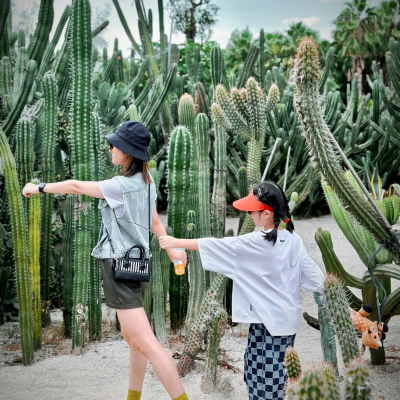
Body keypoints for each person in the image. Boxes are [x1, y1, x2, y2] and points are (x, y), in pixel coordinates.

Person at [22, 121, 189, 400]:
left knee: (146, 342)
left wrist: (38, 187)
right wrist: (172, 251)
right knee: (134, 340)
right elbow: (155, 221)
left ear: (128, 152)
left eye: (115, 145)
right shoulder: (146, 182)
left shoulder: (119, 186)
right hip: (136, 265)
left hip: (119, 267)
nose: (110, 148)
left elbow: (75, 186)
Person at [158, 182, 325, 400]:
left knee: (262, 378)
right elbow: (316, 279)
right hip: (283, 323)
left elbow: (218, 245)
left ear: (266, 214)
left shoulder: (256, 241)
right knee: (275, 376)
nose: (249, 214)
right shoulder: (294, 240)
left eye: (252, 211)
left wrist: (175, 241)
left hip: (267, 323)